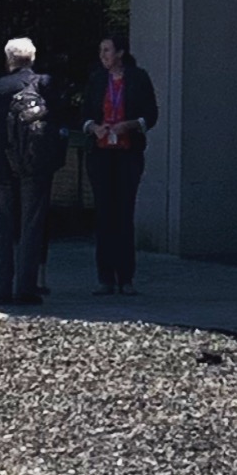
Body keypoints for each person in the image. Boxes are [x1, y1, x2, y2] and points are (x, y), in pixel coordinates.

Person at [0, 35, 58, 306]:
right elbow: (55, 126)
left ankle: (1, 288)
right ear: (32, 58)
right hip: (35, 167)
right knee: (31, 227)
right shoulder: (45, 85)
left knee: (2, 228)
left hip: (1, 169)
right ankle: (26, 288)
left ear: (8, 59)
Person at [81, 30, 159, 295]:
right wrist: (94, 127)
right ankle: (105, 277)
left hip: (127, 153)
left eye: (107, 50)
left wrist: (133, 125)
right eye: (101, 51)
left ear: (120, 53)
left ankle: (126, 277)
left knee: (124, 214)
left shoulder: (138, 78)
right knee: (104, 214)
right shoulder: (96, 79)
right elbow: (84, 114)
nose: (103, 56)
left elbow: (151, 113)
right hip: (101, 153)